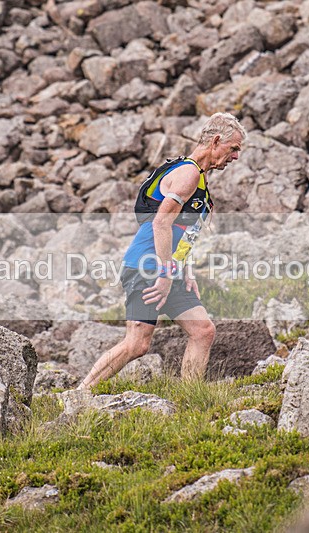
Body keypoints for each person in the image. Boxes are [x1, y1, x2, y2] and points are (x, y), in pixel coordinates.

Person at [77, 113, 247, 390]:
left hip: (166, 267)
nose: (236, 156)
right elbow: (161, 223)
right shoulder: (188, 173)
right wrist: (166, 275)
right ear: (216, 141)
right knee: (137, 343)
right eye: (234, 148)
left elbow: (183, 231)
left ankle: (191, 398)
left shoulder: (199, 177)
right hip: (146, 267)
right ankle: (79, 393)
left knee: (203, 331)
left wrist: (184, 269)